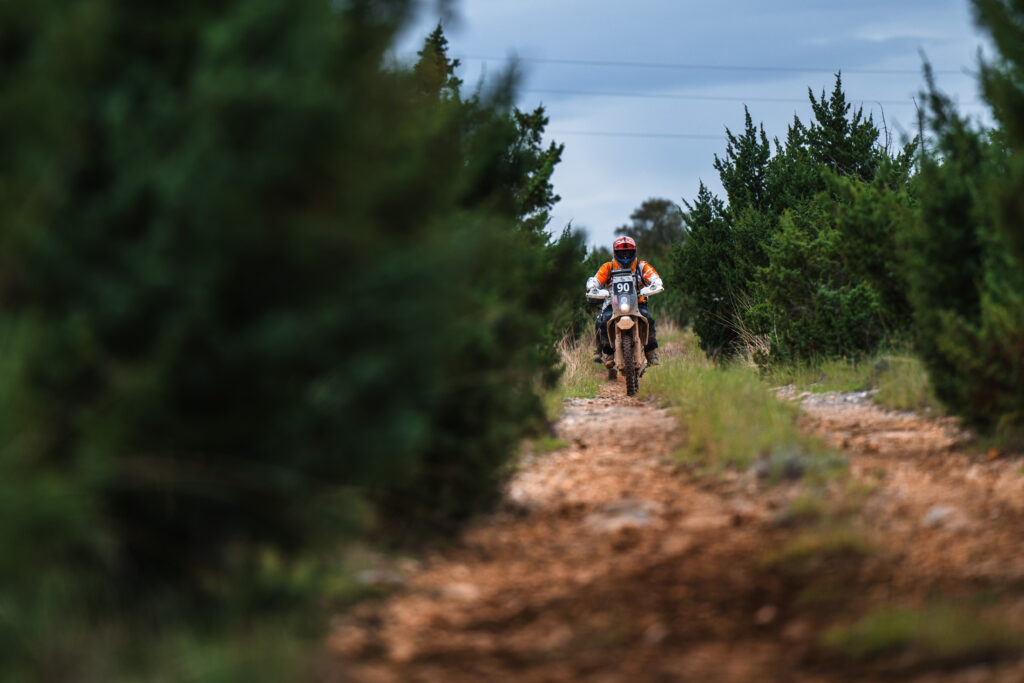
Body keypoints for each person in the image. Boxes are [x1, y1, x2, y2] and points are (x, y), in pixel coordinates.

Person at [586, 236, 663, 367]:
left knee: (648, 319)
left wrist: (655, 284)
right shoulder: (608, 267)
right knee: (604, 320)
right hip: (613, 304)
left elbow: (654, 278)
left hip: (638, 303)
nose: (625, 256)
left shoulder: (641, 266)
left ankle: (650, 352)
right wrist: (592, 287)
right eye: (622, 253)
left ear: (634, 252)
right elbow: (595, 280)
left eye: (628, 252)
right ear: (615, 253)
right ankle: (608, 353)